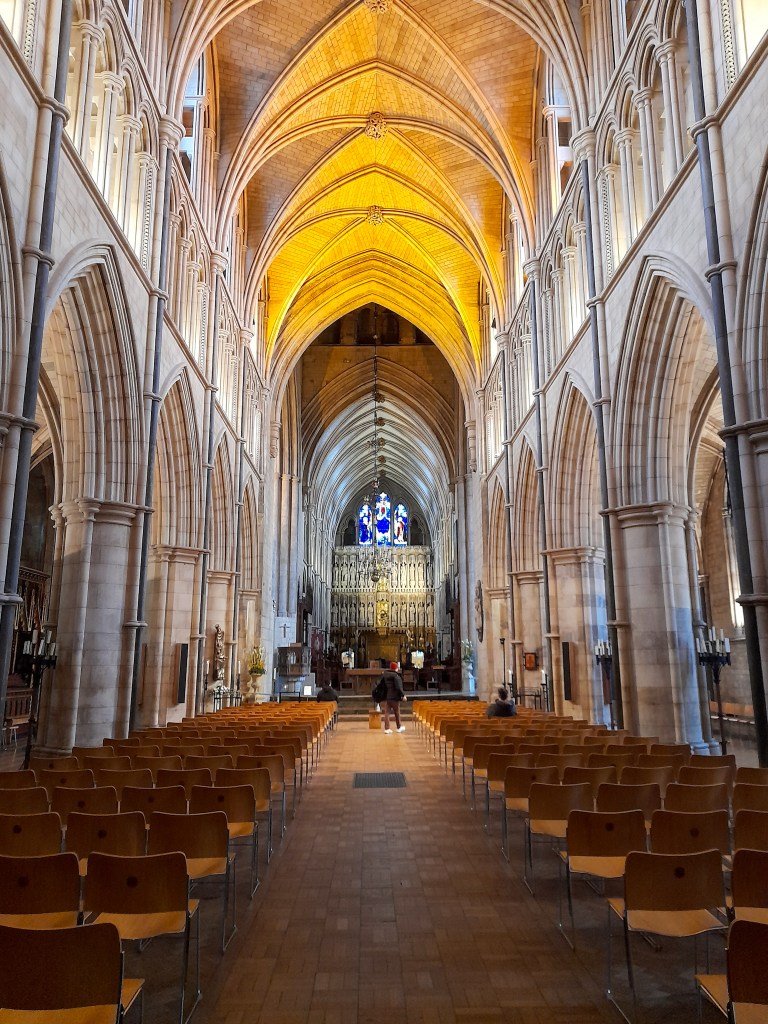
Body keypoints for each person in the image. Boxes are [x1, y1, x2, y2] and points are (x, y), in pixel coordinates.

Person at [378, 661, 407, 733]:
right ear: (395, 668)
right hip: (394, 697)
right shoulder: (396, 676)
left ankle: (387, 728)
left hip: (387, 696)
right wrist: (403, 695)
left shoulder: (385, 675)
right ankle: (399, 727)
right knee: (397, 712)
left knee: (387, 713)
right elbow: (399, 687)